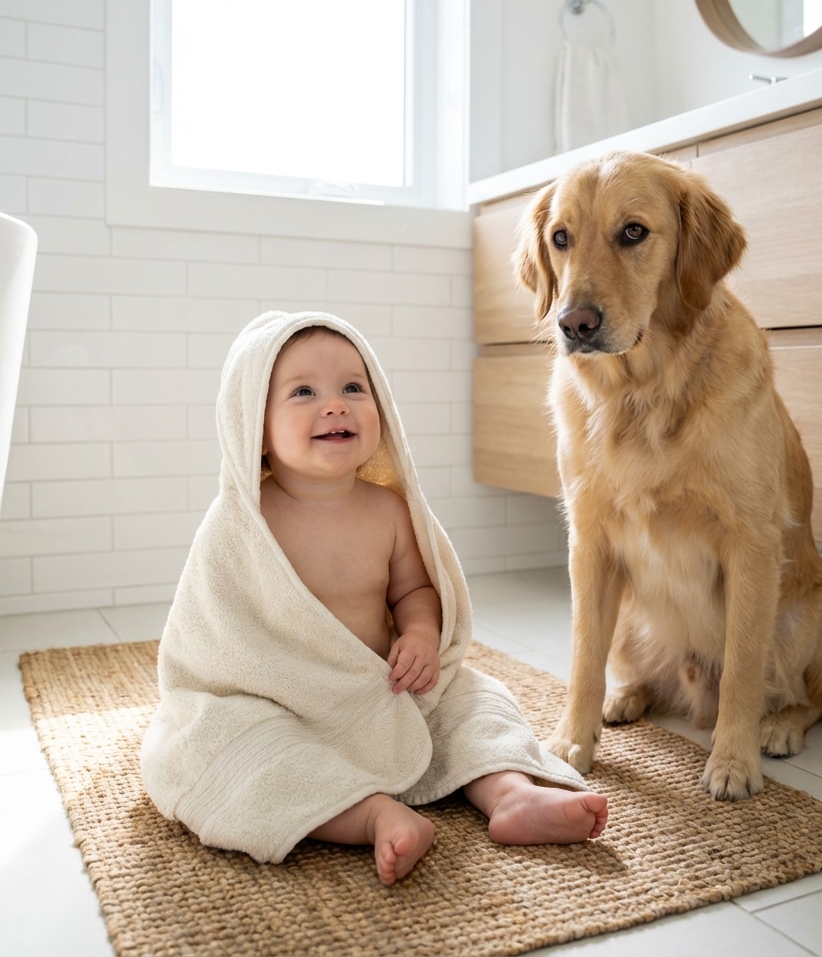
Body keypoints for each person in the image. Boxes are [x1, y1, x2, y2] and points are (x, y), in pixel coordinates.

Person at [141, 312, 607, 885]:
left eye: (353, 388)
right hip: (281, 705)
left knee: (476, 702)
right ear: (254, 427)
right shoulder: (243, 525)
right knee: (225, 749)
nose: (334, 405)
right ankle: (372, 816)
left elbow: (414, 589)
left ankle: (511, 794)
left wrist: (419, 634)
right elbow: (215, 633)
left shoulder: (388, 511)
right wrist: (230, 699)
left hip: (387, 690)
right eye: (304, 392)